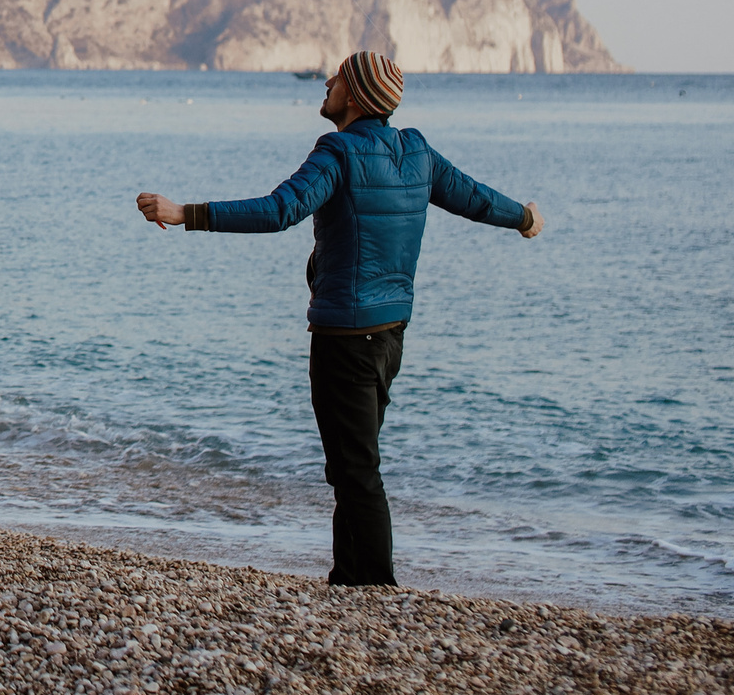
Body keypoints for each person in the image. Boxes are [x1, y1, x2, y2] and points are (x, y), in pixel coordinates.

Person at [134, 52, 544, 587]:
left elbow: (279, 210)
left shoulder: (339, 151)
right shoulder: (415, 151)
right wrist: (525, 218)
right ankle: (348, 576)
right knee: (354, 463)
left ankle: (376, 585)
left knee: (355, 471)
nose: (325, 82)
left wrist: (184, 213)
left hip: (344, 338)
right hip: (390, 336)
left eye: (338, 77)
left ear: (354, 95)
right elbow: (474, 198)